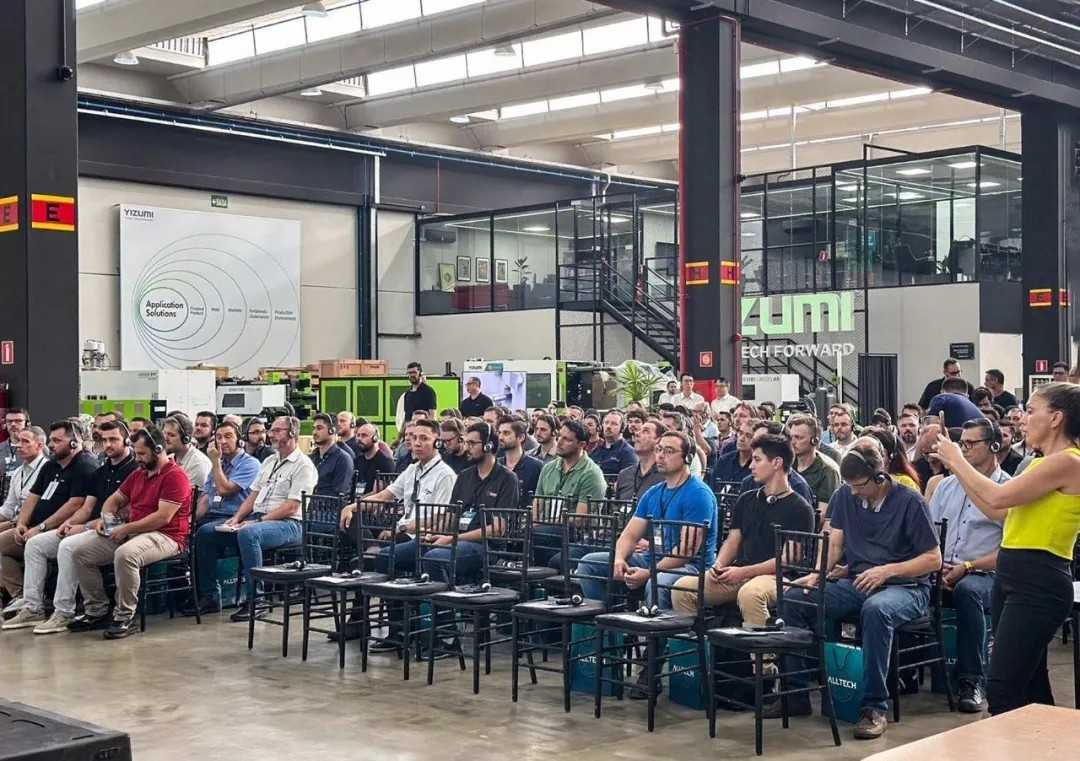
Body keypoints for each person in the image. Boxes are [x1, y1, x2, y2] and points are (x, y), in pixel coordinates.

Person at [775, 440, 942, 740]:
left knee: (876, 610)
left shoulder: (910, 502)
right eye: (849, 485)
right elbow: (835, 545)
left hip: (907, 587)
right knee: (795, 599)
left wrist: (887, 570)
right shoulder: (844, 495)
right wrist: (816, 574)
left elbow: (933, 559)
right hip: (858, 582)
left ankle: (874, 707)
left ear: (880, 476)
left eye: (859, 485)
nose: (853, 492)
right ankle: (796, 694)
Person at [932, 382, 1080, 715]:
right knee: (1030, 686)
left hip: (1038, 581)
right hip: (1013, 576)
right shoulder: (1041, 464)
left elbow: (998, 497)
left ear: (1056, 418)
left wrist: (957, 460)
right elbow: (998, 511)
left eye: (1031, 411)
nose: (1023, 419)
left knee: (1002, 689)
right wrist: (959, 469)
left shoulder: (1068, 462)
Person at [58, 426, 193, 639]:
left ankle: (124, 616)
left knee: (126, 554)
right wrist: (107, 519)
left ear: (158, 450)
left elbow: (162, 517)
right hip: (135, 530)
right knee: (81, 553)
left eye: (142, 454)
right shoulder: (139, 474)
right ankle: (97, 611)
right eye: (136, 453)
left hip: (167, 536)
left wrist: (126, 528)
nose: (137, 458)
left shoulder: (176, 476)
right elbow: (114, 499)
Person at [6, 421, 139, 634]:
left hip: (116, 530)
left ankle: (64, 611)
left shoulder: (134, 470)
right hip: (92, 527)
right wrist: (70, 523)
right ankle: (33, 608)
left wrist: (83, 526)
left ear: (127, 441)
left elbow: (125, 513)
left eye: (113, 439)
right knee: (36, 544)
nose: (107, 444)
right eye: (104, 440)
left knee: (67, 546)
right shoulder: (101, 471)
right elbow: (87, 507)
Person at [338, 418, 456, 652]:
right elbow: (385, 496)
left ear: (437, 442)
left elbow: (442, 518)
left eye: (424, 438)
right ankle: (361, 623)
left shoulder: (445, 475)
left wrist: (403, 528)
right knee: (359, 545)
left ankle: (398, 631)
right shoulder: (412, 470)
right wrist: (353, 506)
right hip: (402, 534)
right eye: (414, 438)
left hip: (425, 539)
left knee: (380, 558)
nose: (417, 443)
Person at [672, 433, 813, 623]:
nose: (751, 466)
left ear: (777, 463)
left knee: (750, 594)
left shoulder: (800, 508)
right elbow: (732, 541)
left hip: (778, 578)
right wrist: (718, 566)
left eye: (757, 460)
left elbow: (788, 561)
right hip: (740, 573)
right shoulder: (746, 499)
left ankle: (763, 642)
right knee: (682, 588)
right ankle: (696, 640)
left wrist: (744, 572)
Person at [200, 416, 319, 623]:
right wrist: (236, 518)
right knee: (206, 533)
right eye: (271, 430)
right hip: (260, 519)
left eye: (277, 431)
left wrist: (258, 521)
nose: (271, 435)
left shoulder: (304, 465)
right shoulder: (270, 461)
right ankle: (210, 596)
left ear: (292, 434)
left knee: (249, 533)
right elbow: (253, 495)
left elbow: (292, 506)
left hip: (290, 524)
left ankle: (257, 600)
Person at [927, 418, 1008, 713]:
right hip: (943, 568)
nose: (964, 449)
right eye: (962, 443)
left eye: (971, 444)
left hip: (986, 574)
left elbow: (1009, 551)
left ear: (994, 446)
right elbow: (929, 534)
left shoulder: (1008, 489)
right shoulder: (947, 486)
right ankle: (905, 673)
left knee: (968, 591)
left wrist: (969, 566)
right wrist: (937, 566)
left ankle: (972, 681)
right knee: (901, 584)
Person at [0, 420, 97, 614]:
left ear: (73, 443)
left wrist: (41, 527)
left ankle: (35, 606)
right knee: (2, 543)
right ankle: (20, 595)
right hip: (35, 526)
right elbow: (32, 498)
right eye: (51, 440)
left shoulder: (84, 466)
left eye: (57, 441)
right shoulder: (51, 465)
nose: (51, 445)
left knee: (35, 544)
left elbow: (74, 504)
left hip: (60, 528)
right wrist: (22, 523)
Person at [427, 422, 519, 585]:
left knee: (434, 558)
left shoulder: (507, 479)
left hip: (486, 547)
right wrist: (432, 533)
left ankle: (445, 600)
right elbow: (451, 516)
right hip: (457, 539)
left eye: (472, 443)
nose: (467, 447)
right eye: (466, 442)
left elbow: (498, 529)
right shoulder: (464, 476)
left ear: (488, 446)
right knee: (400, 552)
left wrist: (452, 539)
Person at [531, 420, 607, 567]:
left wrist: (543, 524)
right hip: (547, 529)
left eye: (567, 439)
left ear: (582, 445)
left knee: (539, 534)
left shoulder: (592, 474)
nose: (559, 442)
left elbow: (579, 520)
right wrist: (534, 523)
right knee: (523, 535)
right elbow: (537, 503)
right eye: (559, 436)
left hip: (579, 535)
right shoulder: (548, 468)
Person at [787, 414, 840, 522]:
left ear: (814, 441)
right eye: (791, 437)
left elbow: (823, 514)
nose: (793, 442)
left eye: (798, 437)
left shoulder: (828, 470)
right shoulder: (788, 464)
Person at [0, 427, 47, 534]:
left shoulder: (48, 470)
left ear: (40, 445)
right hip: (15, 521)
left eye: (25, 441)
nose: (19, 445)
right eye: (18, 441)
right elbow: (8, 508)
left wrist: (13, 523)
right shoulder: (17, 472)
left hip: (33, 525)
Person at [614, 419, 665, 503]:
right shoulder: (624, 475)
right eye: (639, 430)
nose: (637, 434)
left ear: (659, 440)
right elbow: (614, 507)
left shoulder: (666, 477)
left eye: (645, 431)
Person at [497, 419, 542, 507]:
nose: (500, 437)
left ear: (521, 437)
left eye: (506, 433)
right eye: (499, 433)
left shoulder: (536, 467)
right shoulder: (496, 465)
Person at [309, 413, 354, 498]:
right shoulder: (311, 458)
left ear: (332, 430)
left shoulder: (343, 459)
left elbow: (339, 494)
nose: (314, 432)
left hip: (328, 504)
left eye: (319, 428)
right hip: (306, 502)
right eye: (314, 428)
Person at [162, 414, 211, 490]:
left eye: (171, 435)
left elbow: (182, 494)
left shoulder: (198, 463)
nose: (165, 438)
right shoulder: (169, 459)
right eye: (164, 433)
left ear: (185, 439)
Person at [864, 428, 921, 492]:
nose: (872, 458)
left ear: (891, 455)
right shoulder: (864, 481)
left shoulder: (904, 482)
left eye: (877, 453)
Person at [590, 410, 638, 477]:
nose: (608, 426)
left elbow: (629, 479)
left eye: (614, 424)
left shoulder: (628, 452)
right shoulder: (596, 450)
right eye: (606, 423)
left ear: (622, 428)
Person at [713, 419, 754, 485]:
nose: (741, 439)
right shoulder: (724, 460)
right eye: (740, 433)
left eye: (748, 436)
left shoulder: (757, 466)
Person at [1, 408, 30, 477]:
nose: (13, 424)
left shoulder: (37, 447)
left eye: (18, 421)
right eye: (9, 421)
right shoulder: (1, 447)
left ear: (27, 424)